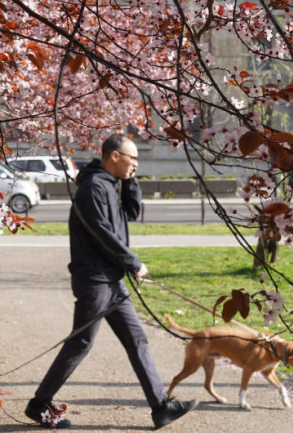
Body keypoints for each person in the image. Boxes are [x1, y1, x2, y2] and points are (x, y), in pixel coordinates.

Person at [25, 135, 197, 430]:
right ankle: (39, 404)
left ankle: (160, 407)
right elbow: (102, 233)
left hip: (111, 280)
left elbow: (130, 213)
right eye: (132, 159)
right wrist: (133, 262)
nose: (136, 164)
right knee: (80, 342)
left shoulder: (109, 185)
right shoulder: (93, 188)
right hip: (95, 280)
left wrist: (129, 180)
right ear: (114, 156)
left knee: (137, 339)